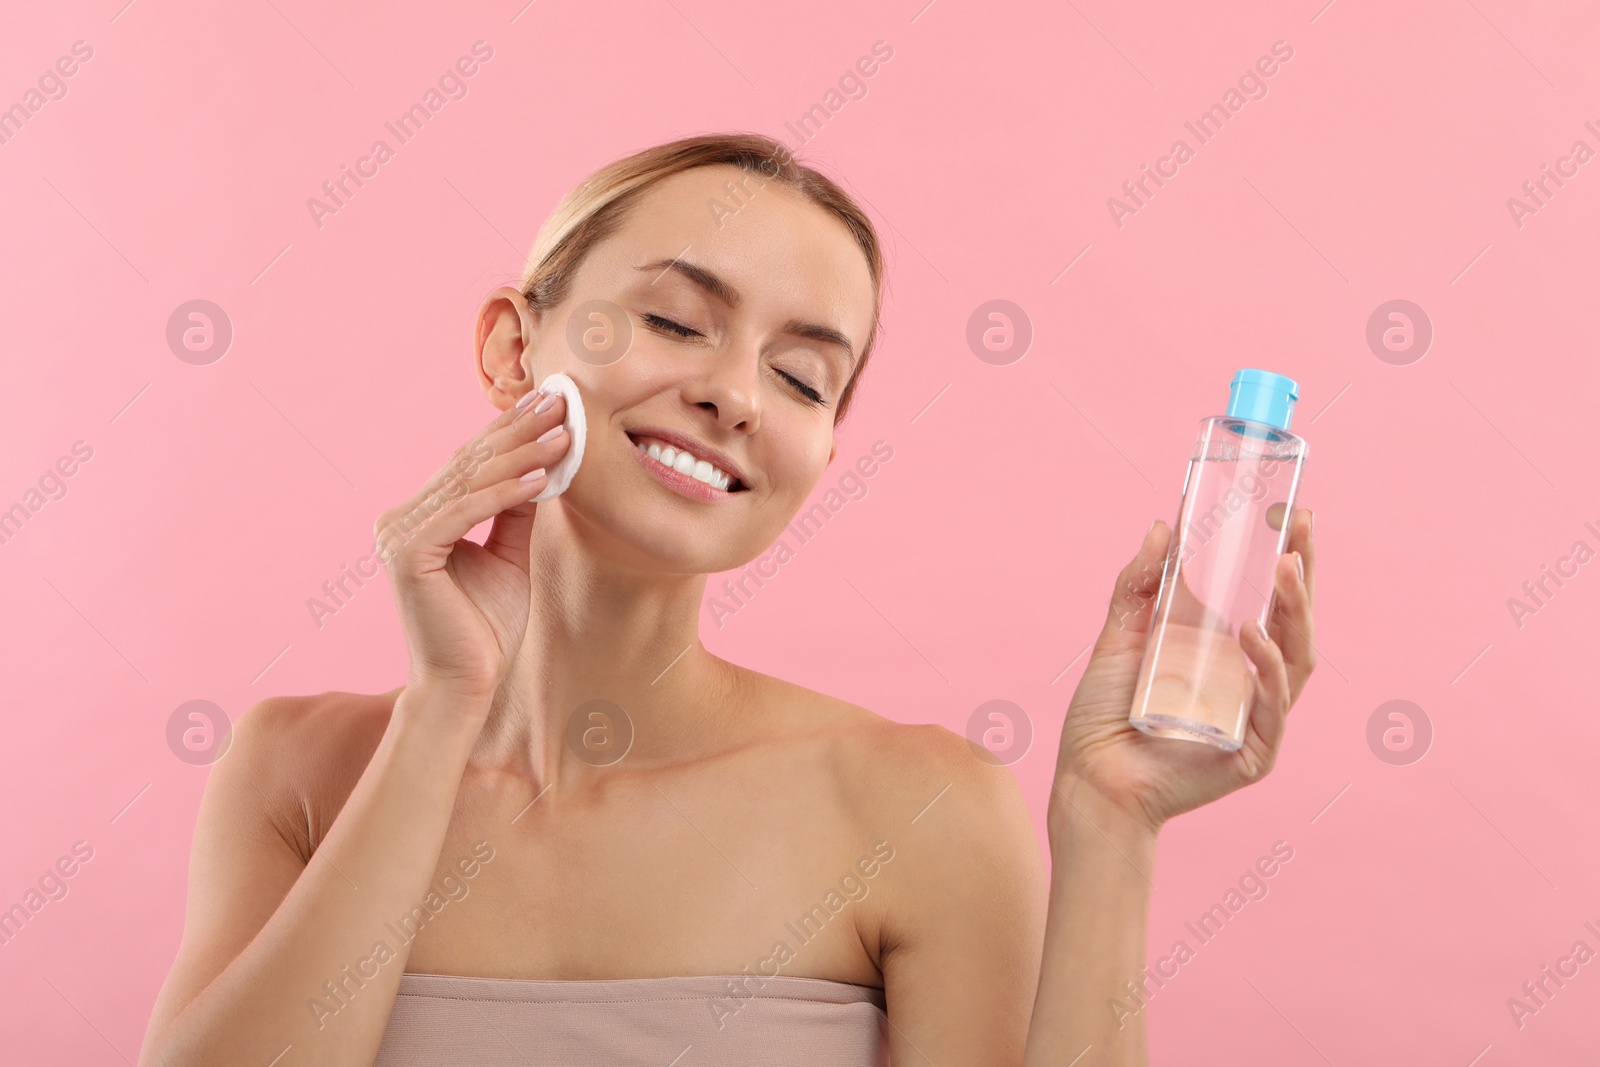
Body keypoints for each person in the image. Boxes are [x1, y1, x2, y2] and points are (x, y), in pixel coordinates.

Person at [136, 132, 1317, 1067]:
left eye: (803, 376)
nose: (736, 393)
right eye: (672, 321)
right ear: (511, 345)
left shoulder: (916, 806)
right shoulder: (294, 771)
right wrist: (444, 706)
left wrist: (1112, 829)